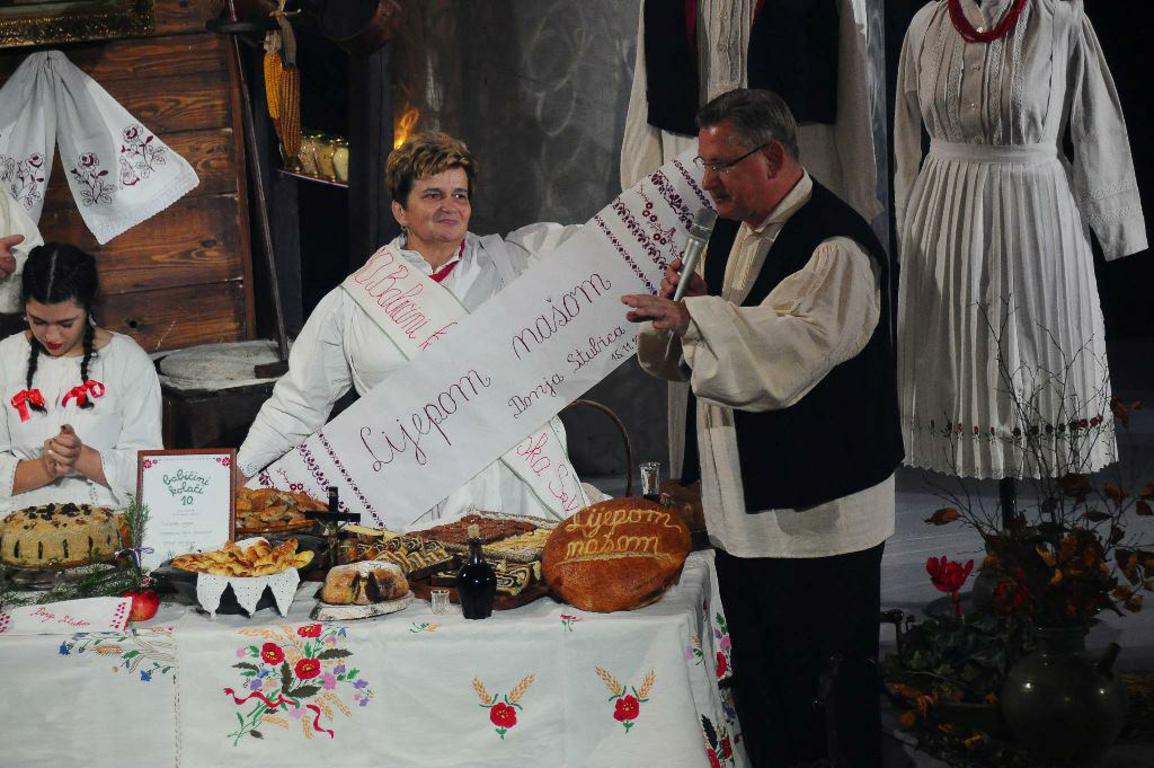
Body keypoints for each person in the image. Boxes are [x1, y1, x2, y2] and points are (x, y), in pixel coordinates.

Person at [624, 89, 903, 768]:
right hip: (745, 509)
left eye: (722, 164)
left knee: (827, 699)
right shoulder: (729, 229)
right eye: (703, 163)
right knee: (764, 687)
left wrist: (698, 319)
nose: (708, 181)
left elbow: (790, 352)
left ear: (773, 156)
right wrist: (689, 312)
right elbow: (720, 345)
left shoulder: (834, 246)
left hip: (817, 517)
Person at [238, 131, 587, 523]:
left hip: (516, 488)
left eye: (460, 195)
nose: (450, 206)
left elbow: (599, 249)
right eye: (433, 195)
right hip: (410, 504)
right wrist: (239, 472)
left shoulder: (514, 263)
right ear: (400, 211)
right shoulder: (354, 301)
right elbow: (299, 402)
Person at [894, 0, 1146, 480]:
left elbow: (1096, 125)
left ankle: (1035, 454)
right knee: (959, 349)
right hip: (945, 211)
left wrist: (1118, 228)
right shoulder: (925, 23)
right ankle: (972, 448)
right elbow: (905, 134)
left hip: (1035, 208)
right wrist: (907, 225)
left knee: (1035, 340)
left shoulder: (1061, 20)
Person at [0, 242, 163, 516]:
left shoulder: (127, 360)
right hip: (14, 519)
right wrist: (45, 467)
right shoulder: (5, 358)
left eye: (66, 324)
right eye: (38, 321)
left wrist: (81, 457)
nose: (52, 336)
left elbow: (149, 471)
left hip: (106, 518)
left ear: (88, 309)